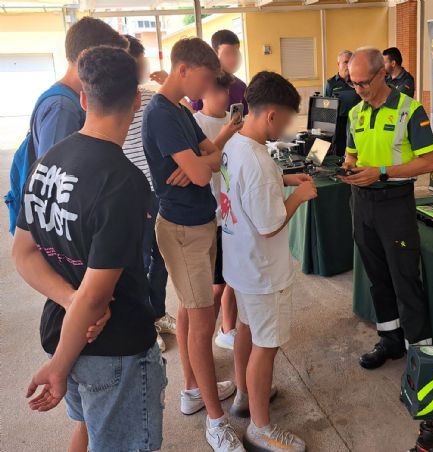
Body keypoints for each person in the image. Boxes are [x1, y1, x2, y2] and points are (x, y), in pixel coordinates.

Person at [12, 46, 166, 452]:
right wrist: (58, 369)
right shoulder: (125, 182)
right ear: (136, 100)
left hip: (61, 330)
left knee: (92, 433)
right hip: (113, 351)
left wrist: (68, 304)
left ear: (83, 97)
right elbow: (97, 296)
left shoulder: (47, 161)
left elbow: (23, 253)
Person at [142, 37, 243, 452]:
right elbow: (203, 173)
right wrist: (200, 166)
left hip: (200, 223)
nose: (208, 89)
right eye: (205, 78)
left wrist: (201, 161)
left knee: (190, 312)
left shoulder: (181, 109)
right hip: (182, 229)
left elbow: (209, 155)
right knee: (202, 324)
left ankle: (191, 390)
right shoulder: (161, 114)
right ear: (183, 69)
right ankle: (215, 423)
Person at [222, 71, 316, 452]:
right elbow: (270, 225)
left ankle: (246, 395)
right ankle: (260, 428)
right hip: (264, 271)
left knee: (247, 329)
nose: (291, 127)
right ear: (272, 115)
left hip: (240, 264)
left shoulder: (236, 144)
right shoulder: (260, 163)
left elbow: (246, 190)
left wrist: (285, 179)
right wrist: (301, 195)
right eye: (290, 118)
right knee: (267, 346)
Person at [341, 48, 433, 369]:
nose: (358, 90)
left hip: (394, 204)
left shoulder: (410, 110)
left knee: (404, 279)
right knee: (377, 277)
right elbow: (352, 154)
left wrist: (381, 172)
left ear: (383, 73)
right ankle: (391, 340)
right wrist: (349, 168)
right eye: (352, 83)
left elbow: (430, 161)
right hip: (362, 202)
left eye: (363, 83)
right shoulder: (356, 113)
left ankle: (420, 356)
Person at [123, 34, 175, 354]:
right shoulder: (115, 100)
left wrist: (169, 85)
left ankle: (156, 312)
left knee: (162, 257)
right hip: (132, 195)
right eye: (140, 61)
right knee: (139, 261)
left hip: (159, 191)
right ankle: (143, 323)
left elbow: (176, 121)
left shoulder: (152, 94)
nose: (145, 67)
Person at [193, 71, 244, 350]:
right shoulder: (195, 123)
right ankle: (205, 338)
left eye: (225, 91)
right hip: (209, 214)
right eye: (216, 91)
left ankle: (228, 329)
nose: (223, 97)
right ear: (202, 92)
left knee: (232, 278)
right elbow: (203, 163)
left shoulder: (233, 119)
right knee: (215, 286)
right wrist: (225, 134)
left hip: (232, 212)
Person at [32, 17, 127, 158]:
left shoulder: (72, 99)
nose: (114, 69)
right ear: (85, 56)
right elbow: (53, 173)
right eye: (108, 60)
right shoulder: (62, 108)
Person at [324, 50, 361, 156]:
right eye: (345, 62)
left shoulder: (357, 81)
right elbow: (326, 107)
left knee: (355, 151)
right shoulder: (331, 83)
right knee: (339, 151)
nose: (348, 65)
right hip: (339, 123)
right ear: (338, 64)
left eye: (350, 62)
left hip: (356, 122)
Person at [211, 29, 248, 115]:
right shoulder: (207, 84)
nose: (233, 59)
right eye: (227, 53)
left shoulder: (242, 87)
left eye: (235, 53)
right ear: (214, 54)